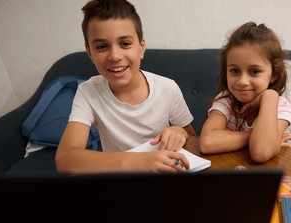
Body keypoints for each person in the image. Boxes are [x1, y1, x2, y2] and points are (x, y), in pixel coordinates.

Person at [56, 0, 197, 174]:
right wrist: (142, 161)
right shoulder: (88, 92)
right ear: (90, 53)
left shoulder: (167, 88)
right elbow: (65, 159)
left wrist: (180, 133)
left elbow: (193, 140)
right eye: (102, 47)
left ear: (141, 47)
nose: (115, 56)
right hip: (121, 181)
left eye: (125, 44)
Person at [199, 22, 291, 163]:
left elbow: (261, 152)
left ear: (274, 74)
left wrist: (270, 96)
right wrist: (256, 137)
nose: (242, 81)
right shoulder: (226, 100)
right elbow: (207, 143)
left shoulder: (279, 106)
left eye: (254, 72)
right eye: (234, 71)